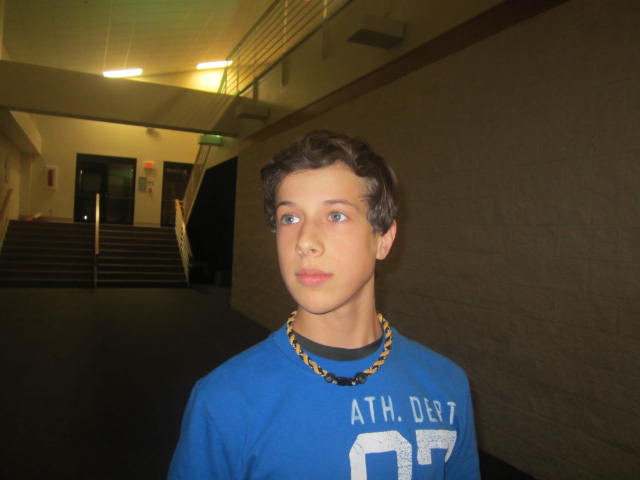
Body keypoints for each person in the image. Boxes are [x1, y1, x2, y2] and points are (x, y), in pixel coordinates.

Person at [168, 130, 480, 479]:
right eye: (290, 218)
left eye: (336, 216)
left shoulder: (446, 386)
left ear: (383, 239)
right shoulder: (225, 401)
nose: (305, 241)